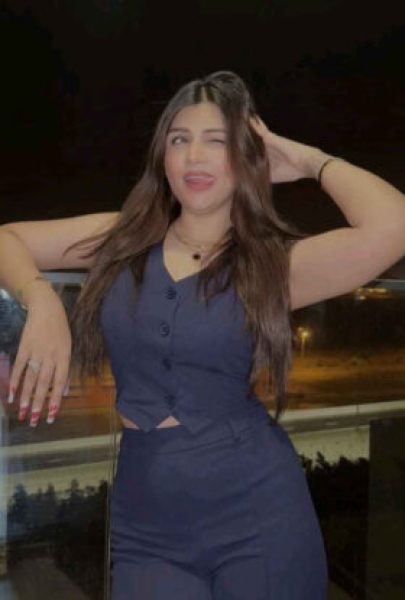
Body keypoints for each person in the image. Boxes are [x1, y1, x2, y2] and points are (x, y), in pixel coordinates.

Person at [1, 70, 405, 599]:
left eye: (217, 141)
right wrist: (41, 300)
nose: (194, 157)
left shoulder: (272, 267)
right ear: (162, 156)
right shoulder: (120, 238)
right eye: (179, 140)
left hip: (259, 514)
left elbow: (393, 225)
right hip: (146, 524)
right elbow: (6, 238)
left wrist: (306, 160)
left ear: (246, 157)